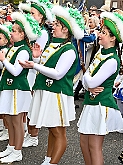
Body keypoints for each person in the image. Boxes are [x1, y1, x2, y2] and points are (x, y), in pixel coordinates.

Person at [19, 6, 85, 165]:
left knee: (58, 132)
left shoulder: (69, 49)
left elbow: (57, 73)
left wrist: (34, 66)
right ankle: (48, 159)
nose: (52, 27)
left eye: (56, 25)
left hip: (57, 93)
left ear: (66, 30)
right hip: (47, 91)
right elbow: (45, 68)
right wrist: (35, 60)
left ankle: (53, 162)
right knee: (51, 129)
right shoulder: (53, 45)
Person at [77, 12, 123, 165]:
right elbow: (86, 80)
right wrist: (88, 83)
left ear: (113, 38)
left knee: (94, 146)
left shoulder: (112, 60)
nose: (99, 34)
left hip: (101, 104)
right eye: (101, 31)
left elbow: (90, 79)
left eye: (103, 33)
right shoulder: (100, 53)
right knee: (84, 143)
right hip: (91, 102)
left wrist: (87, 80)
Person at [0, 12, 41, 163]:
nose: (11, 33)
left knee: (17, 122)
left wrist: (3, 60)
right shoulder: (15, 48)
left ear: (22, 34)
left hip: (18, 89)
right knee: (9, 118)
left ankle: (17, 151)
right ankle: (11, 147)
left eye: (14, 31)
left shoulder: (24, 50)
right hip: (10, 87)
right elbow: (5, 68)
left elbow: (15, 71)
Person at [21, 0, 54, 148]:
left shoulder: (42, 33)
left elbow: (38, 55)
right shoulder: (32, 30)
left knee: (32, 105)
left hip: (34, 71)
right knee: (26, 104)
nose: (30, 15)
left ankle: (33, 136)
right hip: (27, 69)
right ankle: (27, 132)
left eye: (33, 13)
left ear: (41, 16)